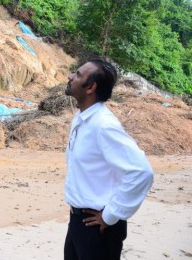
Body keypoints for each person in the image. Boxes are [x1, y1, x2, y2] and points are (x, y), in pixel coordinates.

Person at [63, 57, 154, 260]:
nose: (70, 76)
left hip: (98, 228)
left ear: (91, 87)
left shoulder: (104, 125)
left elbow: (141, 172)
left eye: (78, 74)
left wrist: (111, 215)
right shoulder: (81, 118)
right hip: (79, 223)